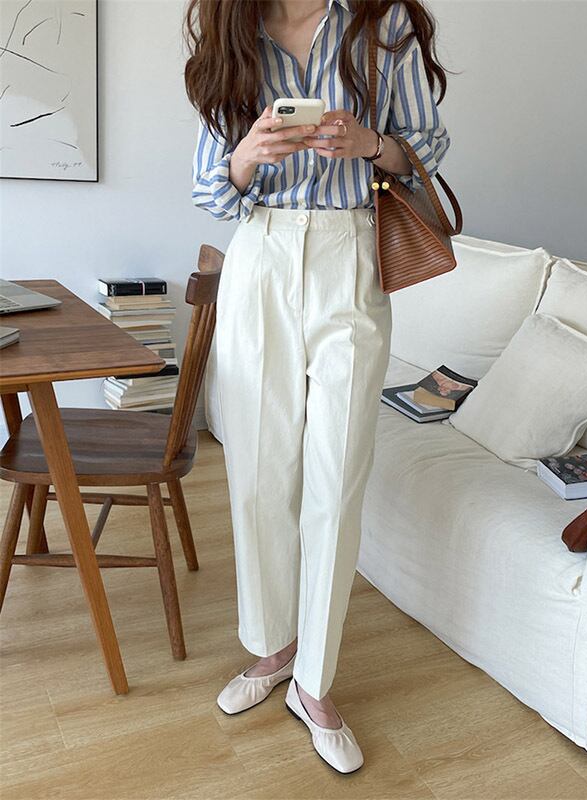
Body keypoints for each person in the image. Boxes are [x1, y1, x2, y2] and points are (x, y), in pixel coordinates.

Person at [184, 0, 451, 773]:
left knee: (337, 480)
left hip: (350, 253)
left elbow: (428, 146)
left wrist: (371, 144)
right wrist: (247, 155)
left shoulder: (381, 23)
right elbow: (210, 189)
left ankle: (315, 683)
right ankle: (272, 649)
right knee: (258, 474)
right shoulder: (233, 32)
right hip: (262, 254)